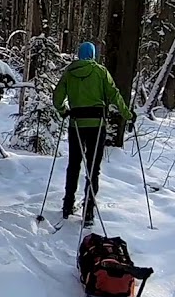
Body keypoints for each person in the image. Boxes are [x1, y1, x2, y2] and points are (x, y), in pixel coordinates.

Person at [52, 41, 133, 226]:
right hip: (97, 126)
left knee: (74, 165)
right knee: (93, 168)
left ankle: (67, 205)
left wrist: (64, 111)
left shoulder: (69, 72)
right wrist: (127, 114)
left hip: (76, 125)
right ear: (93, 54)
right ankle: (88, 211)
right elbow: (114, 94)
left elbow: (57, 98)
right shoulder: (101, 71)